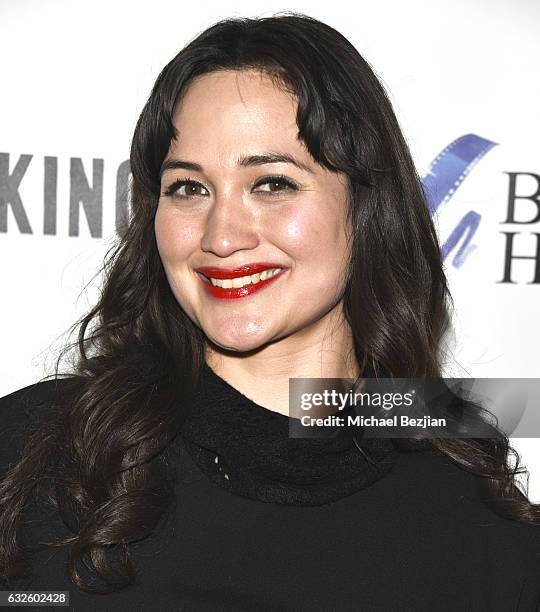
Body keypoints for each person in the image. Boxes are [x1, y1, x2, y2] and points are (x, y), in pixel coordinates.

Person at [1, 11, 539, 611]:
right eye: (188, 188)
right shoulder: (32, 454)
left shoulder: (480, 526)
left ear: (366, 208)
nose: (222, 235)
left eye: (272, 183)